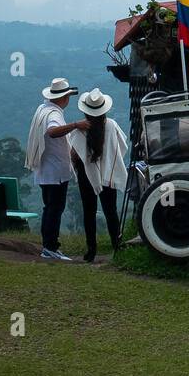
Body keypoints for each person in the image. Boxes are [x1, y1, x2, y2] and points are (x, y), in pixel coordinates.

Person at [25, 77, 83, 261]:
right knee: (55, 209)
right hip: (56, 171)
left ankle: (48, 245)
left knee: (49, 208)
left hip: (45, 169)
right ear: (64, 98)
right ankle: (50, 247)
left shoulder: (43, 109)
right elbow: (52, 131)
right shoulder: (54, 115)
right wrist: (75, 125)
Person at [69, 88, 129, 262]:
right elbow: (122, 147)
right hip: (108, 175)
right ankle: (117, 247)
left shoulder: (80, 130)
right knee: (111, 211)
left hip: (86, 176)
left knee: (89, 212)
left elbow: (74, 154)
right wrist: (109, 162)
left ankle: (91, 251)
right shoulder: (111, 125)